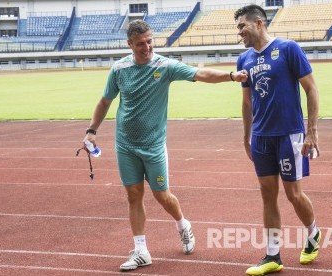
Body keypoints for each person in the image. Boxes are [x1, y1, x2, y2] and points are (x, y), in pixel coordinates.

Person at [82, 19, 248, 272]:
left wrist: (231, 76)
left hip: (154, 146)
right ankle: (141, 251)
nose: (146, 47)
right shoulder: (119, 69)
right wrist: (92, 130)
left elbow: (199, 74)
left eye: (149, 41)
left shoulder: (165, 66)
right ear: (130, 44)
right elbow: (106, 101)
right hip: (125, 145)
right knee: (133, 195)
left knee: (162, 196)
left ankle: (183, 224)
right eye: (140, 44)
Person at [234, 4, 321, 276]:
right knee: (267, 195)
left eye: (242, 26)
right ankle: (273, 255)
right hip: (261, 137)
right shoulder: (243, 60)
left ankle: (314, 233)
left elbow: (311, 88)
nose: (239, 32)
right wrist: (247, 136)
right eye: (237, 28)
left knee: (293, 194)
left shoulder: (288, 49)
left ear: (259, 23)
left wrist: (312, 130)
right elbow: (247, 103)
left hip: (289, 134)